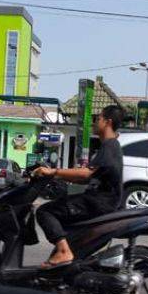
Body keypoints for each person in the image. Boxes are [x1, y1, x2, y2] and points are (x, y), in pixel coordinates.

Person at [33, 105, 124, 268]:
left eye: (98, 118)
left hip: (99, 203)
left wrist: (54, 171)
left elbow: (86, 174)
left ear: (108, 122)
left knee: (45, 211)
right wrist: (59, 176)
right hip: (100, 201)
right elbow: (86, 178)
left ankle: (63, 252)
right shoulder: (109, 146)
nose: (95, 123)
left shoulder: (109, 146)